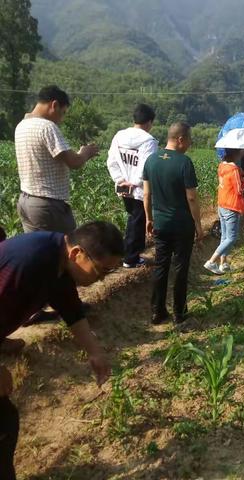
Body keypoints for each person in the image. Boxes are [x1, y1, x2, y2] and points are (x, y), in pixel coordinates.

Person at [0, 221, 124, 480]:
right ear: (77, 253)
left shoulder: (58, 261)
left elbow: (70, 308)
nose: (100, 279)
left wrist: (94, 351)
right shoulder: (30, 262)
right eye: (100, 271)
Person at [15, 85, 99, 234]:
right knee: (65, 248)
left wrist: (79, 153)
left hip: (26, 201)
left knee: (38, 251)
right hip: (47, 205)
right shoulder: (47, 127)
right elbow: (74, 162)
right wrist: (86, 153)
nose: (62, 118)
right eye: (63, 112)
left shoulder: (22, 125)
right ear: (54, 105)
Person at [143, 122, 204, 325]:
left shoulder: (151, 161)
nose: (189, 143)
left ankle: (157, 311)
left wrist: (149, 218)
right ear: (180, 139)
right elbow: (192, 198)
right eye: (189, 139)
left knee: (161, 266)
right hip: (182, 225)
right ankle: (179, 313)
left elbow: (146, 194)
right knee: (180, 268)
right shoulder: (184, 162)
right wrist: (198, 224)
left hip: (160, 223)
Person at [107, 104, 158, 268]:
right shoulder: (148, 141)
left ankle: (128, 253)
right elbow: (146, 167)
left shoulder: (119, 136)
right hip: (140, 190)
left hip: (123, 188)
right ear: (149, 122)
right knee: (137, 222)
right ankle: (130, 258)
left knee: (133, 219)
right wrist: (135, 183)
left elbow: (112, 161)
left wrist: (120, 180)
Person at [204, 149, 244, 274]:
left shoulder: (222, 165)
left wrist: (241, 175)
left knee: (224, 236)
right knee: (231, 238)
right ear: (236, 154)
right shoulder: (234, 169)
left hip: (222, 203)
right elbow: (239, 190)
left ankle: (223, 263)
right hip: (231, 205)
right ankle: (212, 261)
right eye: (241, 152)